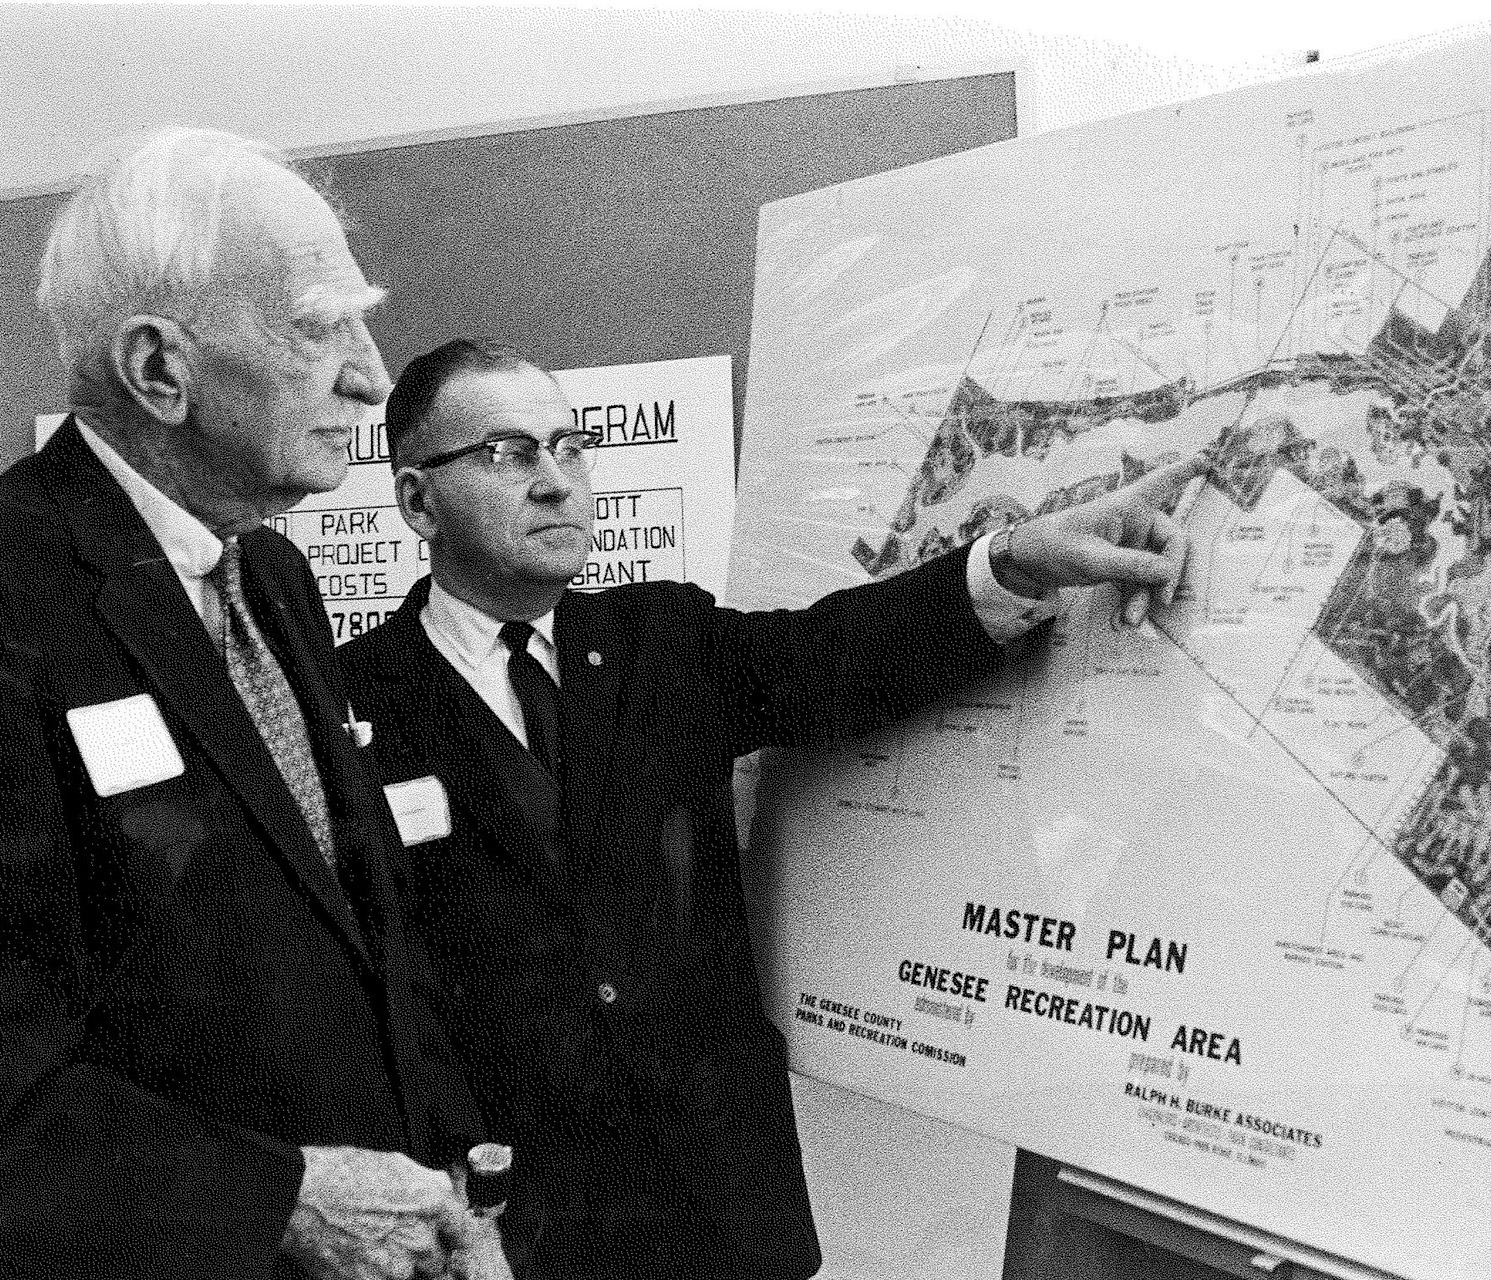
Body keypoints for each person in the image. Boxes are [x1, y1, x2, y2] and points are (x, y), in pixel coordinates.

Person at [338, 337, 1203, 1279]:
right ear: (417, 501)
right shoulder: (348, 705)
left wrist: (1020, 559)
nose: (554, 481)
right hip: (511, 1225)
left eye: (570, 446)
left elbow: (836, 655)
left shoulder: (658, 639)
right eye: (506, 454)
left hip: (716, 1201)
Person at [0, 131, 513, 1279]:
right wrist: (279, 1201)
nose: (375, 374)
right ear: (159, 370)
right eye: (321, 322)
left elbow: (367, 920)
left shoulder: (272, 575)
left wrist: (456, 1200)